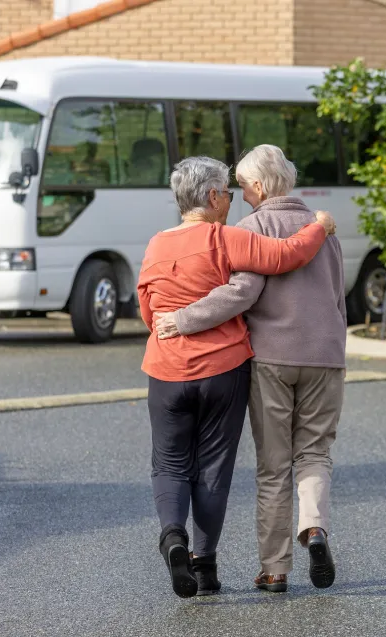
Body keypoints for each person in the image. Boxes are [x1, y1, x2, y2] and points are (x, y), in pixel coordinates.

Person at [137, 156, 337, 599]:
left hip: (167, 370)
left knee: (169, 463)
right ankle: (205, 566)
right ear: (212, 198)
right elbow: (287, 256)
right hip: (224, 369)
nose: (232, 199)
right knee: (213, 469)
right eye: (227, 192)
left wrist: (171, 324)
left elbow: (148, 310)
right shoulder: (226, 238)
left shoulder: (156, 244)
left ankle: (174, 538)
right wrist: (320, 225)